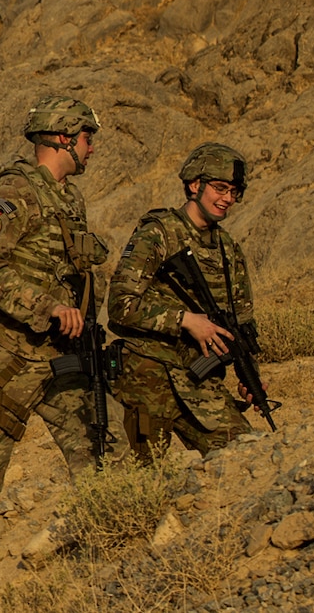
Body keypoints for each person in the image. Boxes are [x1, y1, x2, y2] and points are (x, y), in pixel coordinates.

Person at [0, 96, 112, 512]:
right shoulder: (14, 191)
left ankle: (108, 542)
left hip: (62, 354)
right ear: (62, 137)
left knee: (107, 455)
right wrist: (47, 308)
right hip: (9, 356)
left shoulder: (70, 200)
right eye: (86, 137)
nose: (92, 147)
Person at [106, 142, 259, 461]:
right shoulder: (157, 235)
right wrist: (186, 321)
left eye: (234, 191)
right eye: (219, 188)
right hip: (146, 379)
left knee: (246, 456)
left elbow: (241, 323)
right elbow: (120, 305)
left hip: (199, 379)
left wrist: (250, 376)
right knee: (139, 482)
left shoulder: (228, 249)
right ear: (194, 185)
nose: (227, 199)